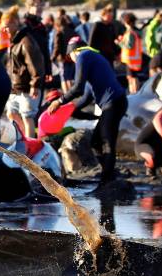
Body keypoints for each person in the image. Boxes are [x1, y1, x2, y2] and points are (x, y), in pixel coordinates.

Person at [48, 38, 128, 184]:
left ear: (73, 52)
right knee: (96, 142)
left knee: (107, 142)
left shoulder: (83, 56)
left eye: (70, 57)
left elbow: (78, 88)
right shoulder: (92, 57)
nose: (71, 60)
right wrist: (67, 110)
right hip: (114, 103)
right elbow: (85, 98)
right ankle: (108, 173)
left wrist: (59, 101)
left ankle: (107, 180)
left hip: (114, 102)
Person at [2, 6, 45, 138]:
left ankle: (30, 145)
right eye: (4, 27)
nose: (5, 30)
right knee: (11, 113)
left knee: (27, 116)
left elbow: (35, 64)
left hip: (27, 86)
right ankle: (26, 139)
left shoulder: (25, 40)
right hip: (15, 86)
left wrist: (35, 85)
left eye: (7, 26)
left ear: (15, 23)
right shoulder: (14, 41)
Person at [118, 12, 142, 93]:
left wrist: (119, 42)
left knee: (132, 78)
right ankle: (134, 93)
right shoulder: (136, 32)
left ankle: (134, 93)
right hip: (134, 59)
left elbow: (129, 46)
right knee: (132, 77)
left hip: (130, 60)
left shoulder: (130, 32)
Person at [52, 14, 76, 91]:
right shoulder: (72, 31)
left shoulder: (58, 33)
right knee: (69, 77)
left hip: (62, 58)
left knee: (63, 78)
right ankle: (72, 94)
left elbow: (57, 47)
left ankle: (66, 95)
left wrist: (52, 58)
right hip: (71, 57)